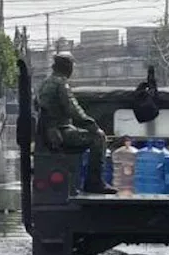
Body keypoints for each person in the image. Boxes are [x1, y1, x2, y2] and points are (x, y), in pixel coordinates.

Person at [35, 52, 117, 194]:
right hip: (61, 133)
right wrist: (92, 125)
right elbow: (73, 109)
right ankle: (94, 182)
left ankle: (81, 179)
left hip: (49, 133)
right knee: (99, 137)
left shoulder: (44, 84)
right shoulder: (61, 84)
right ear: (67, 67)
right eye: (72, 66)